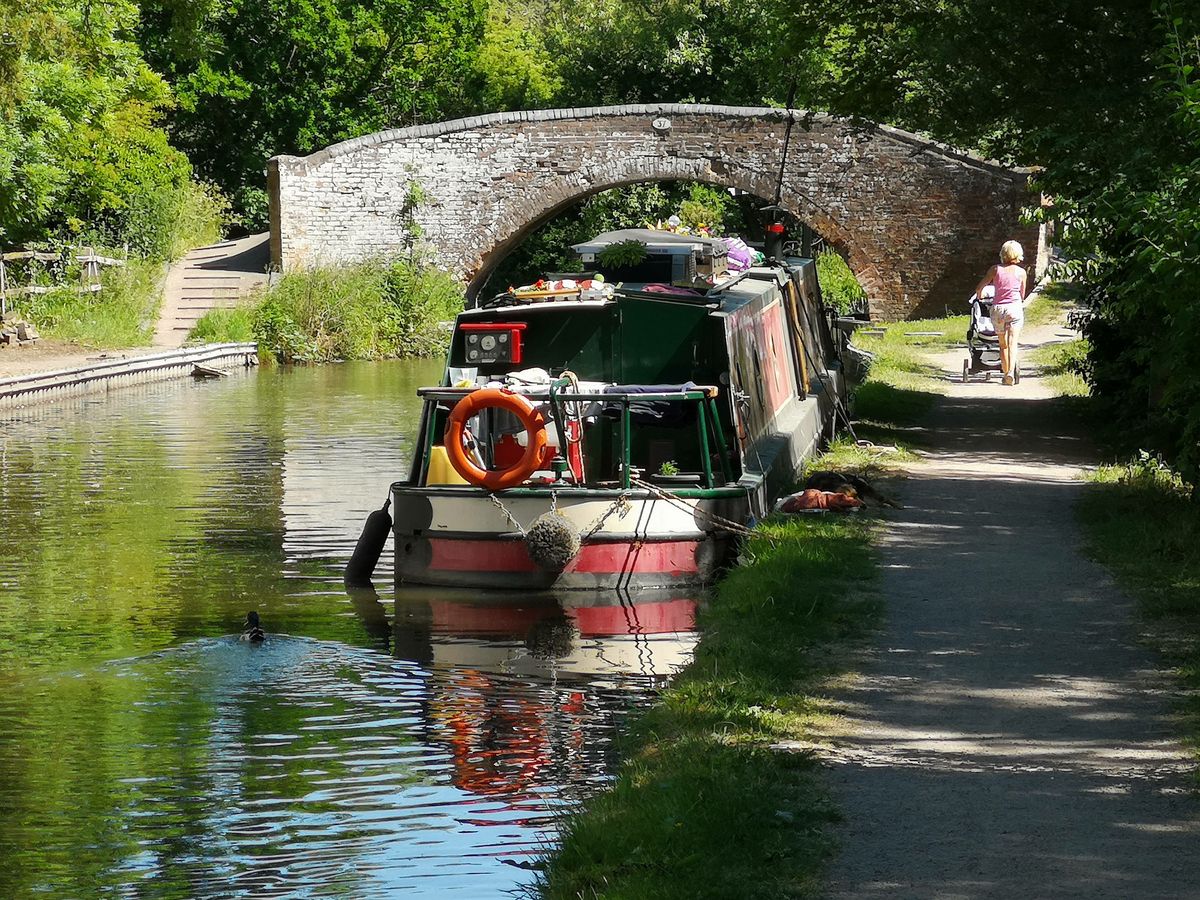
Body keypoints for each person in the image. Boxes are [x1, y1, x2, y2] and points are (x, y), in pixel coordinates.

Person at [974, 240, 1027, 385]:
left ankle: (1005, 373)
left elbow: (980, 288)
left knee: (1002, 344)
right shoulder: (1021, 273)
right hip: (1014, 309)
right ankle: (1010, 373)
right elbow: (1022, 295)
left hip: (997, 309)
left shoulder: (995, 269)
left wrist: (980, 296)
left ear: (1003, 253)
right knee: (1012, 343)